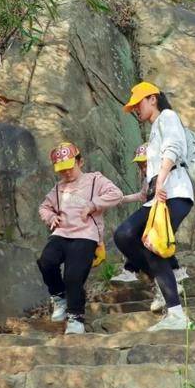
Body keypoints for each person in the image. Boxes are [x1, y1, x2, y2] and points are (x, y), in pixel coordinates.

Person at [114, 81, 195, 331]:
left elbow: (173, 147)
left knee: (153, 247)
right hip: (158, 195)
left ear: (152, 98)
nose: (136, 109)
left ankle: (176, 314)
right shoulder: (154, 127)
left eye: (138, 103)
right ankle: (166, 278)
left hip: (174, 193)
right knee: (124, 234)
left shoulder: (168, 116)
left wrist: (160, 180)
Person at [37, 142, 124, 334]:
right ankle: (60, 297)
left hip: (86, 235)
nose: (67, 173)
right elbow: (44, 207)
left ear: (80, 162)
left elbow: (116, 194)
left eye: (70, 167)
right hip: (61, 233)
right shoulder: (58, 188)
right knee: (46, 261)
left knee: (73, 276)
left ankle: (75, 318)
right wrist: (51, 217)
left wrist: (93, 205)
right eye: (62, 170)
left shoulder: (94, 180)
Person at [110, 143, 187, 285]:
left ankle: (174, 270)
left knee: (157, 238)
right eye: (140, 165)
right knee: (137, 236)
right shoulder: (148, 179)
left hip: (162, 209)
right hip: (151, 208)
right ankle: (132, 269)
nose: (143, 168)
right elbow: (142, 195)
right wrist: (123, 199)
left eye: (146, 164)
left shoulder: (165, 175)